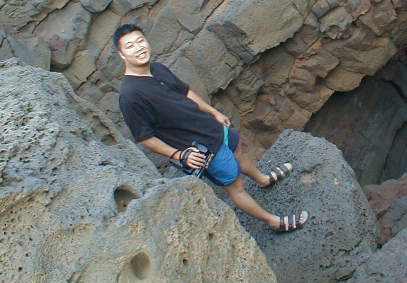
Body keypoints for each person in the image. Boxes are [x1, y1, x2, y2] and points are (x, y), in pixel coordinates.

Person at [113, 23, 308, 233]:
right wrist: (180, 155)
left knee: (238, 150)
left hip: (210, 127)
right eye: (130, 46)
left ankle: (263, 179)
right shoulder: (130, 96)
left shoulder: (157, 68)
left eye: (140, 41)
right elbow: (144, 137)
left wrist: (213, 112)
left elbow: (185, 93)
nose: (139, 48)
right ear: (122, 54)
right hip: (199, 147)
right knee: (236, 186)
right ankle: (274, 222)